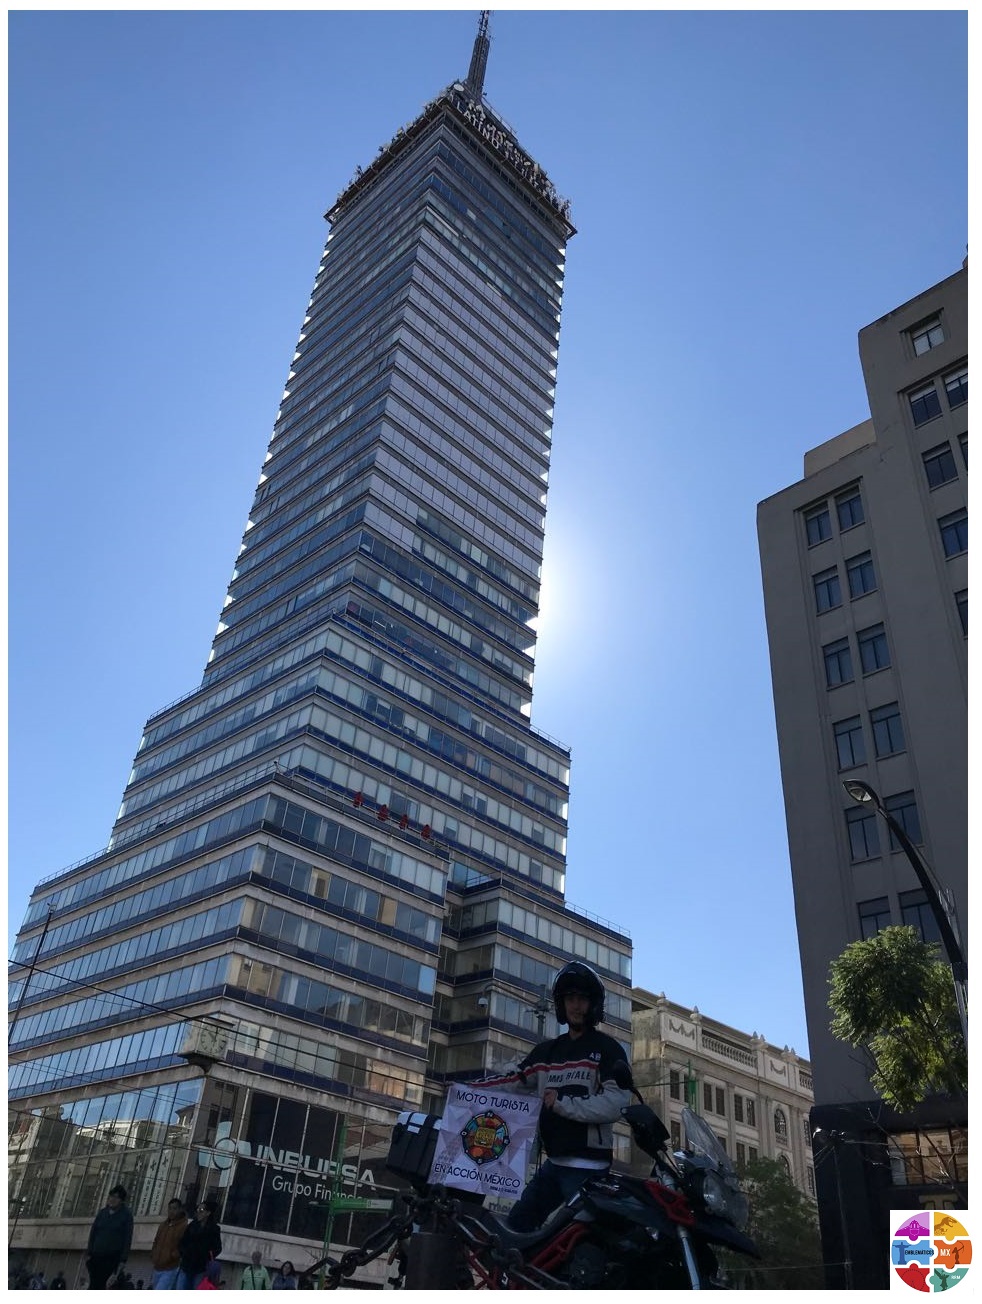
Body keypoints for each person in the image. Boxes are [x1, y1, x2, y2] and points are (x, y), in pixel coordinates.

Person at [482, 961, 634, 1232]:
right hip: (553, 1164)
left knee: (580, 1240)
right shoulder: (546, 1052)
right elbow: (512, 1082)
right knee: (517, 1227)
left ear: (594, 1004)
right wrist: (468, 1090)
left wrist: (562, 1104)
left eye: (582, 999)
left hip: (590, 1171)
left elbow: (616, 1104)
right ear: (561, 1004)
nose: (576, 1006)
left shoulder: (608, 1049)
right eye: (570, 999)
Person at [86, 1185, 134, 1289]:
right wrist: (89, 1252)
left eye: (116, 1197)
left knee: (104, 1286)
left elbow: (127, 1239)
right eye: (111, 1196)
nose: (113, 1199)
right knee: (93, 1286)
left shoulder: (126, 1216)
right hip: (96, 1257)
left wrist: (123, 1260)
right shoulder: (102, 1213)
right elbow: (93, 1233)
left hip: (112, 1259)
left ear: (121, 1200)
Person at [176, 1199, 222, 1290]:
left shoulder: (214, 1229)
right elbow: (182, 1242)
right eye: (197, 1210)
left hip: (201, 1268)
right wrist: (184, 1253)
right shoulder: (192, 1226)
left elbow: (218, 1247)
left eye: (201, 1210)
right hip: (186, 1265)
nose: (198, 1212)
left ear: (208, 1213)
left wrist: (206, 1256)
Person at [150, 1198, 188, 1289]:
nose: (171, 1211)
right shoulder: (163, 1225)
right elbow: (156, 1241)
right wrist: (153, 1254)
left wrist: (173, 1255)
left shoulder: (183, 1226)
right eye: (170, 1208)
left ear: (179, 1209)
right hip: (157, 1266)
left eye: (174, 1209)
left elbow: (184, 1245)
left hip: (170, 1268)